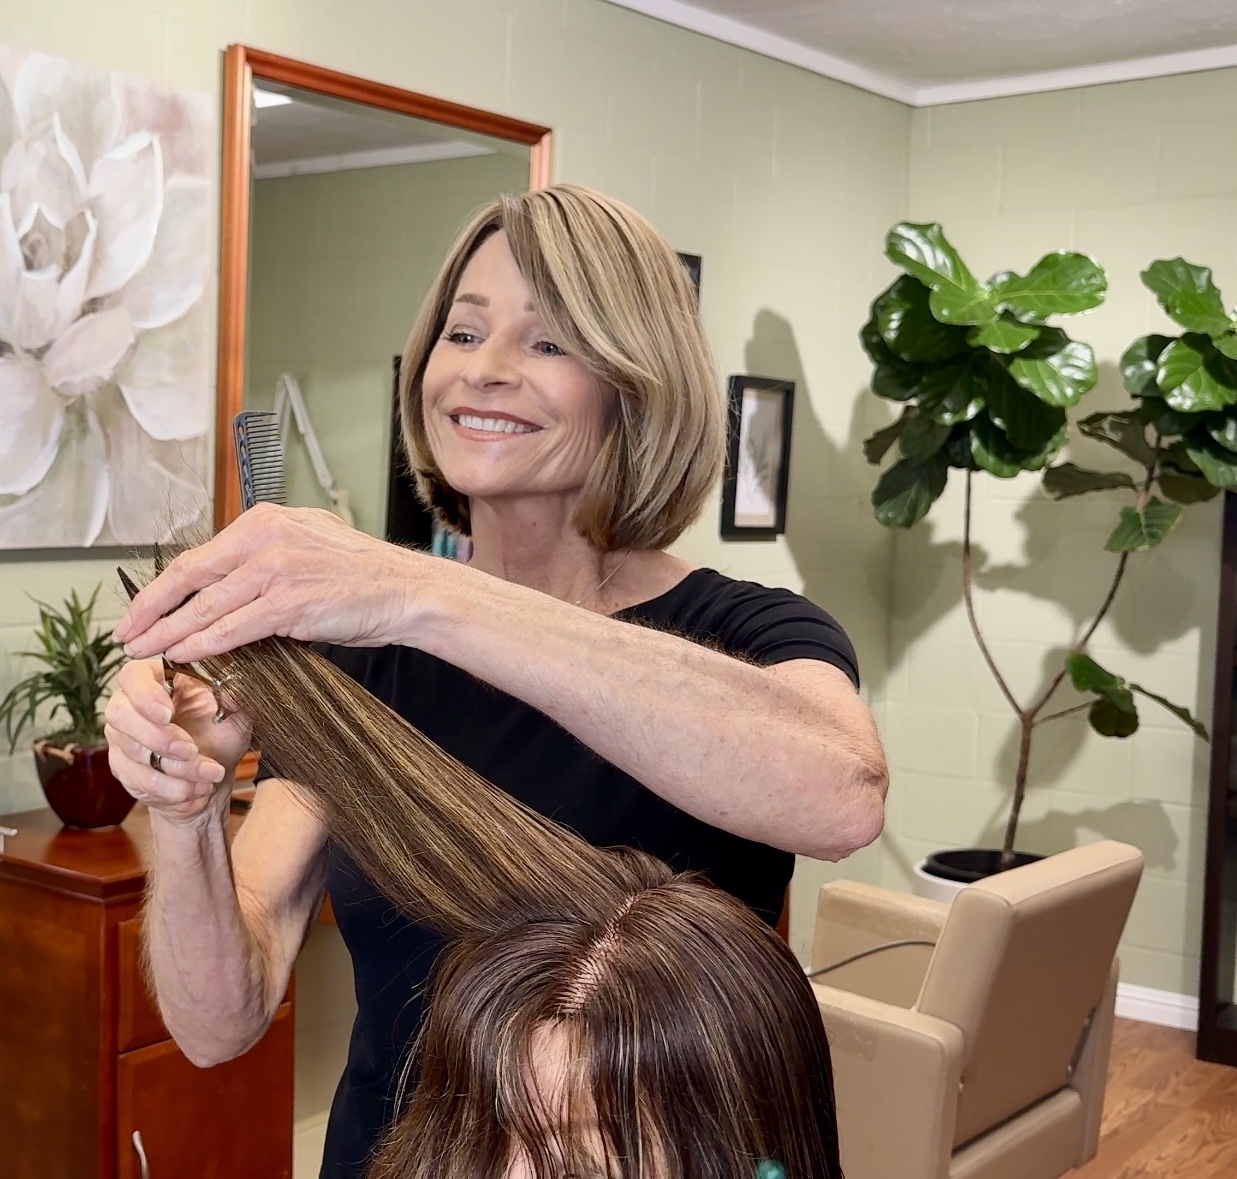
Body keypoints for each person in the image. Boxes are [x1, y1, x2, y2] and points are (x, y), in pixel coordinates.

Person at [105, 186, 887, 1177]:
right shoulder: (367, 665)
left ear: (631, 383)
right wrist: (182, 809)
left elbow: (841, 796)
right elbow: (221, 1021)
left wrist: (414, 589)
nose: (486, 369)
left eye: (548, 343)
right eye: (463, 332)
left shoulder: (743, 632)